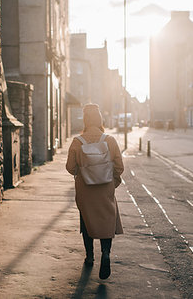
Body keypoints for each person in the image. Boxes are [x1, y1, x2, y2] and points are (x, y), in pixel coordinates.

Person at [66, 104, 124, 280]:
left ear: (85, 120)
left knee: (87, 221)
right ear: (100, 119)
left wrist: (82, 172)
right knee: (107, 220)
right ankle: (105, 253)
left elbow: (70, 167)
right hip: (105, 187)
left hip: (86, 189)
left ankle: (90, 256)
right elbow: (120, 167)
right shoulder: (110, 141)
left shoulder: (77, 142)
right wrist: (112, 181)